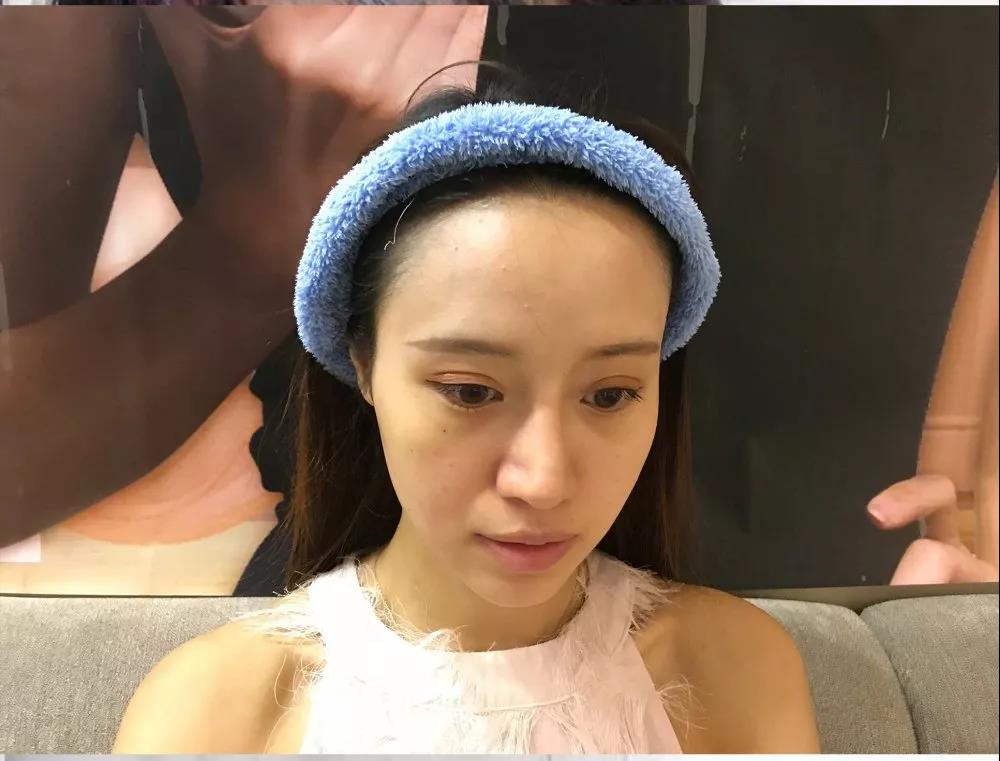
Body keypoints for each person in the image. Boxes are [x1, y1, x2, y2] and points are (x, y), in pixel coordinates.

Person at [111, 69, 820, 754]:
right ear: (364, 364)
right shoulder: (211, 715)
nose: (543, 482)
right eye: (471, 390)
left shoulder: (737, 674)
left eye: (609, 395)